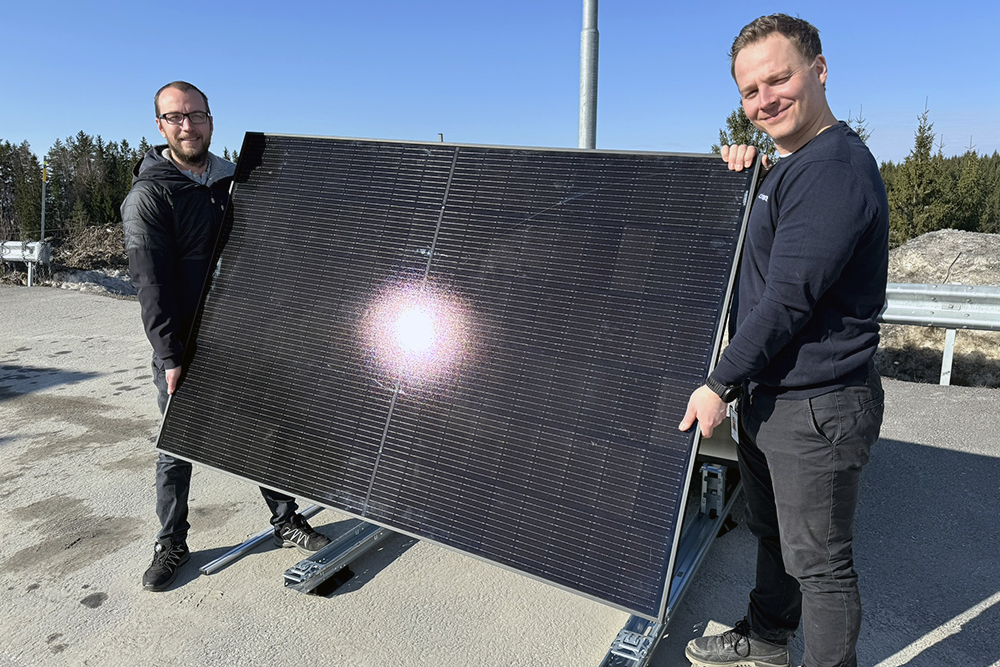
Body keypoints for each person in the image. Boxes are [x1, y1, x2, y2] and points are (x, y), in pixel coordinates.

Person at [678, 15, 888, 667]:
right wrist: (750, 173)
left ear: (818, 71)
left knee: (820, 568)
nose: (765, 98)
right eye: (750, 90)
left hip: (817, 407)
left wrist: (718, 382)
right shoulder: (793, 166)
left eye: (779, 78)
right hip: (776, 398)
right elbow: (771, 250)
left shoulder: (834, 169)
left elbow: (785, 300)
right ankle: (766, 640)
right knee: (777, 540)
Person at [122, 81, 331, 592]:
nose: (187, 125)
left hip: (243, 336)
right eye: (175, 117)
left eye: (196, 115)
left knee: (262, 429)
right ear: (160, 126)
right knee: (178, 447)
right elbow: (151, 285)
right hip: (184, 347)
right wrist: (170, 356)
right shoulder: (151, 194)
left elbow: (268, 256)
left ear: (211, 121)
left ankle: (286, 520)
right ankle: (171, 541)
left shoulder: (235, 182)